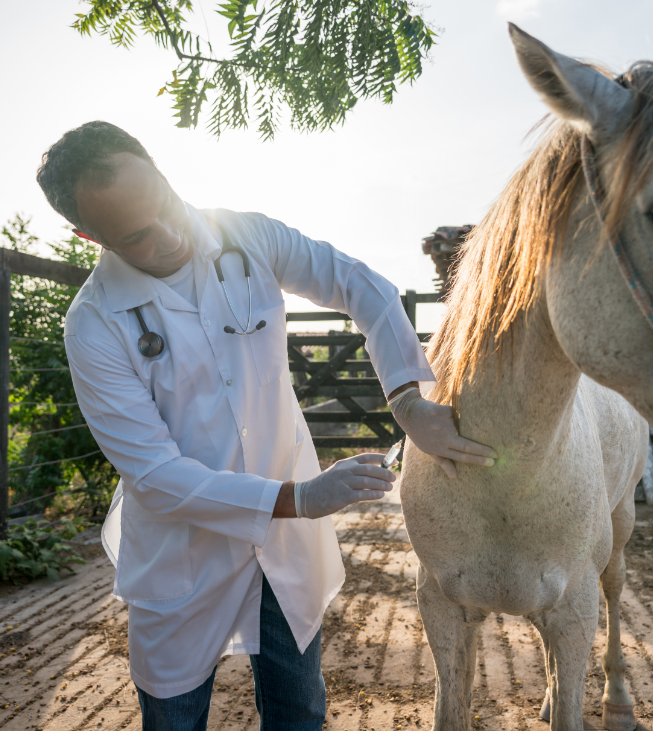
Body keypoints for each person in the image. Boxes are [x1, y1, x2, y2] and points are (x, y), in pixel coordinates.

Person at [36, 121, 496, 731]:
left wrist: (409, 405)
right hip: (183, 554)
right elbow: (153, 474)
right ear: (88, 235)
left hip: (282, 548)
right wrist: (299, 497)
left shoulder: (245, 236)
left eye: (166, 203)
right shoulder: (94, 323)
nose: (173, 234)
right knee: (174, 718)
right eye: (140, 236)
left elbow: (366, 289)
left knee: (300, 710)